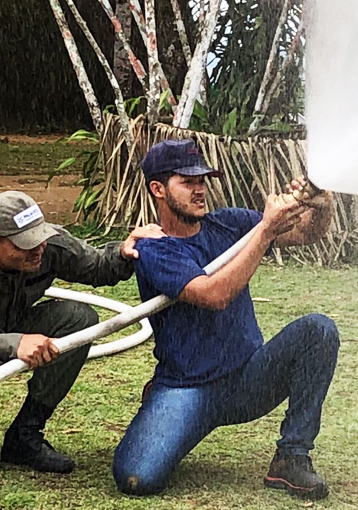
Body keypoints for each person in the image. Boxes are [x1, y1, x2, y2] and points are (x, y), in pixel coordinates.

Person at [112, 139, 340, 500]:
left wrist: (321, 204)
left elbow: (306, 234)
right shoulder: (154, 248)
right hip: (188, 389)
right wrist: (264, 231)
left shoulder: (230, 223)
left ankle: (291, 458)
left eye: (202, 179)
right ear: (158, 189)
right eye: (187, 182)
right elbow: (213, 295)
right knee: (136, 478)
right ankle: (161, 405)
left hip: (248, 379)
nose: (199, 188)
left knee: (318, 330)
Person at [0, 190, 164, 476]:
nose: (38, 249)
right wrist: (13, 344)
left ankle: (24, 436)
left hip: (14, 323)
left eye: (40, 238)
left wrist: (124, 253)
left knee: (79, 320)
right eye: (25, 245)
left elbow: (98, 267)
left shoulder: (47, 243)